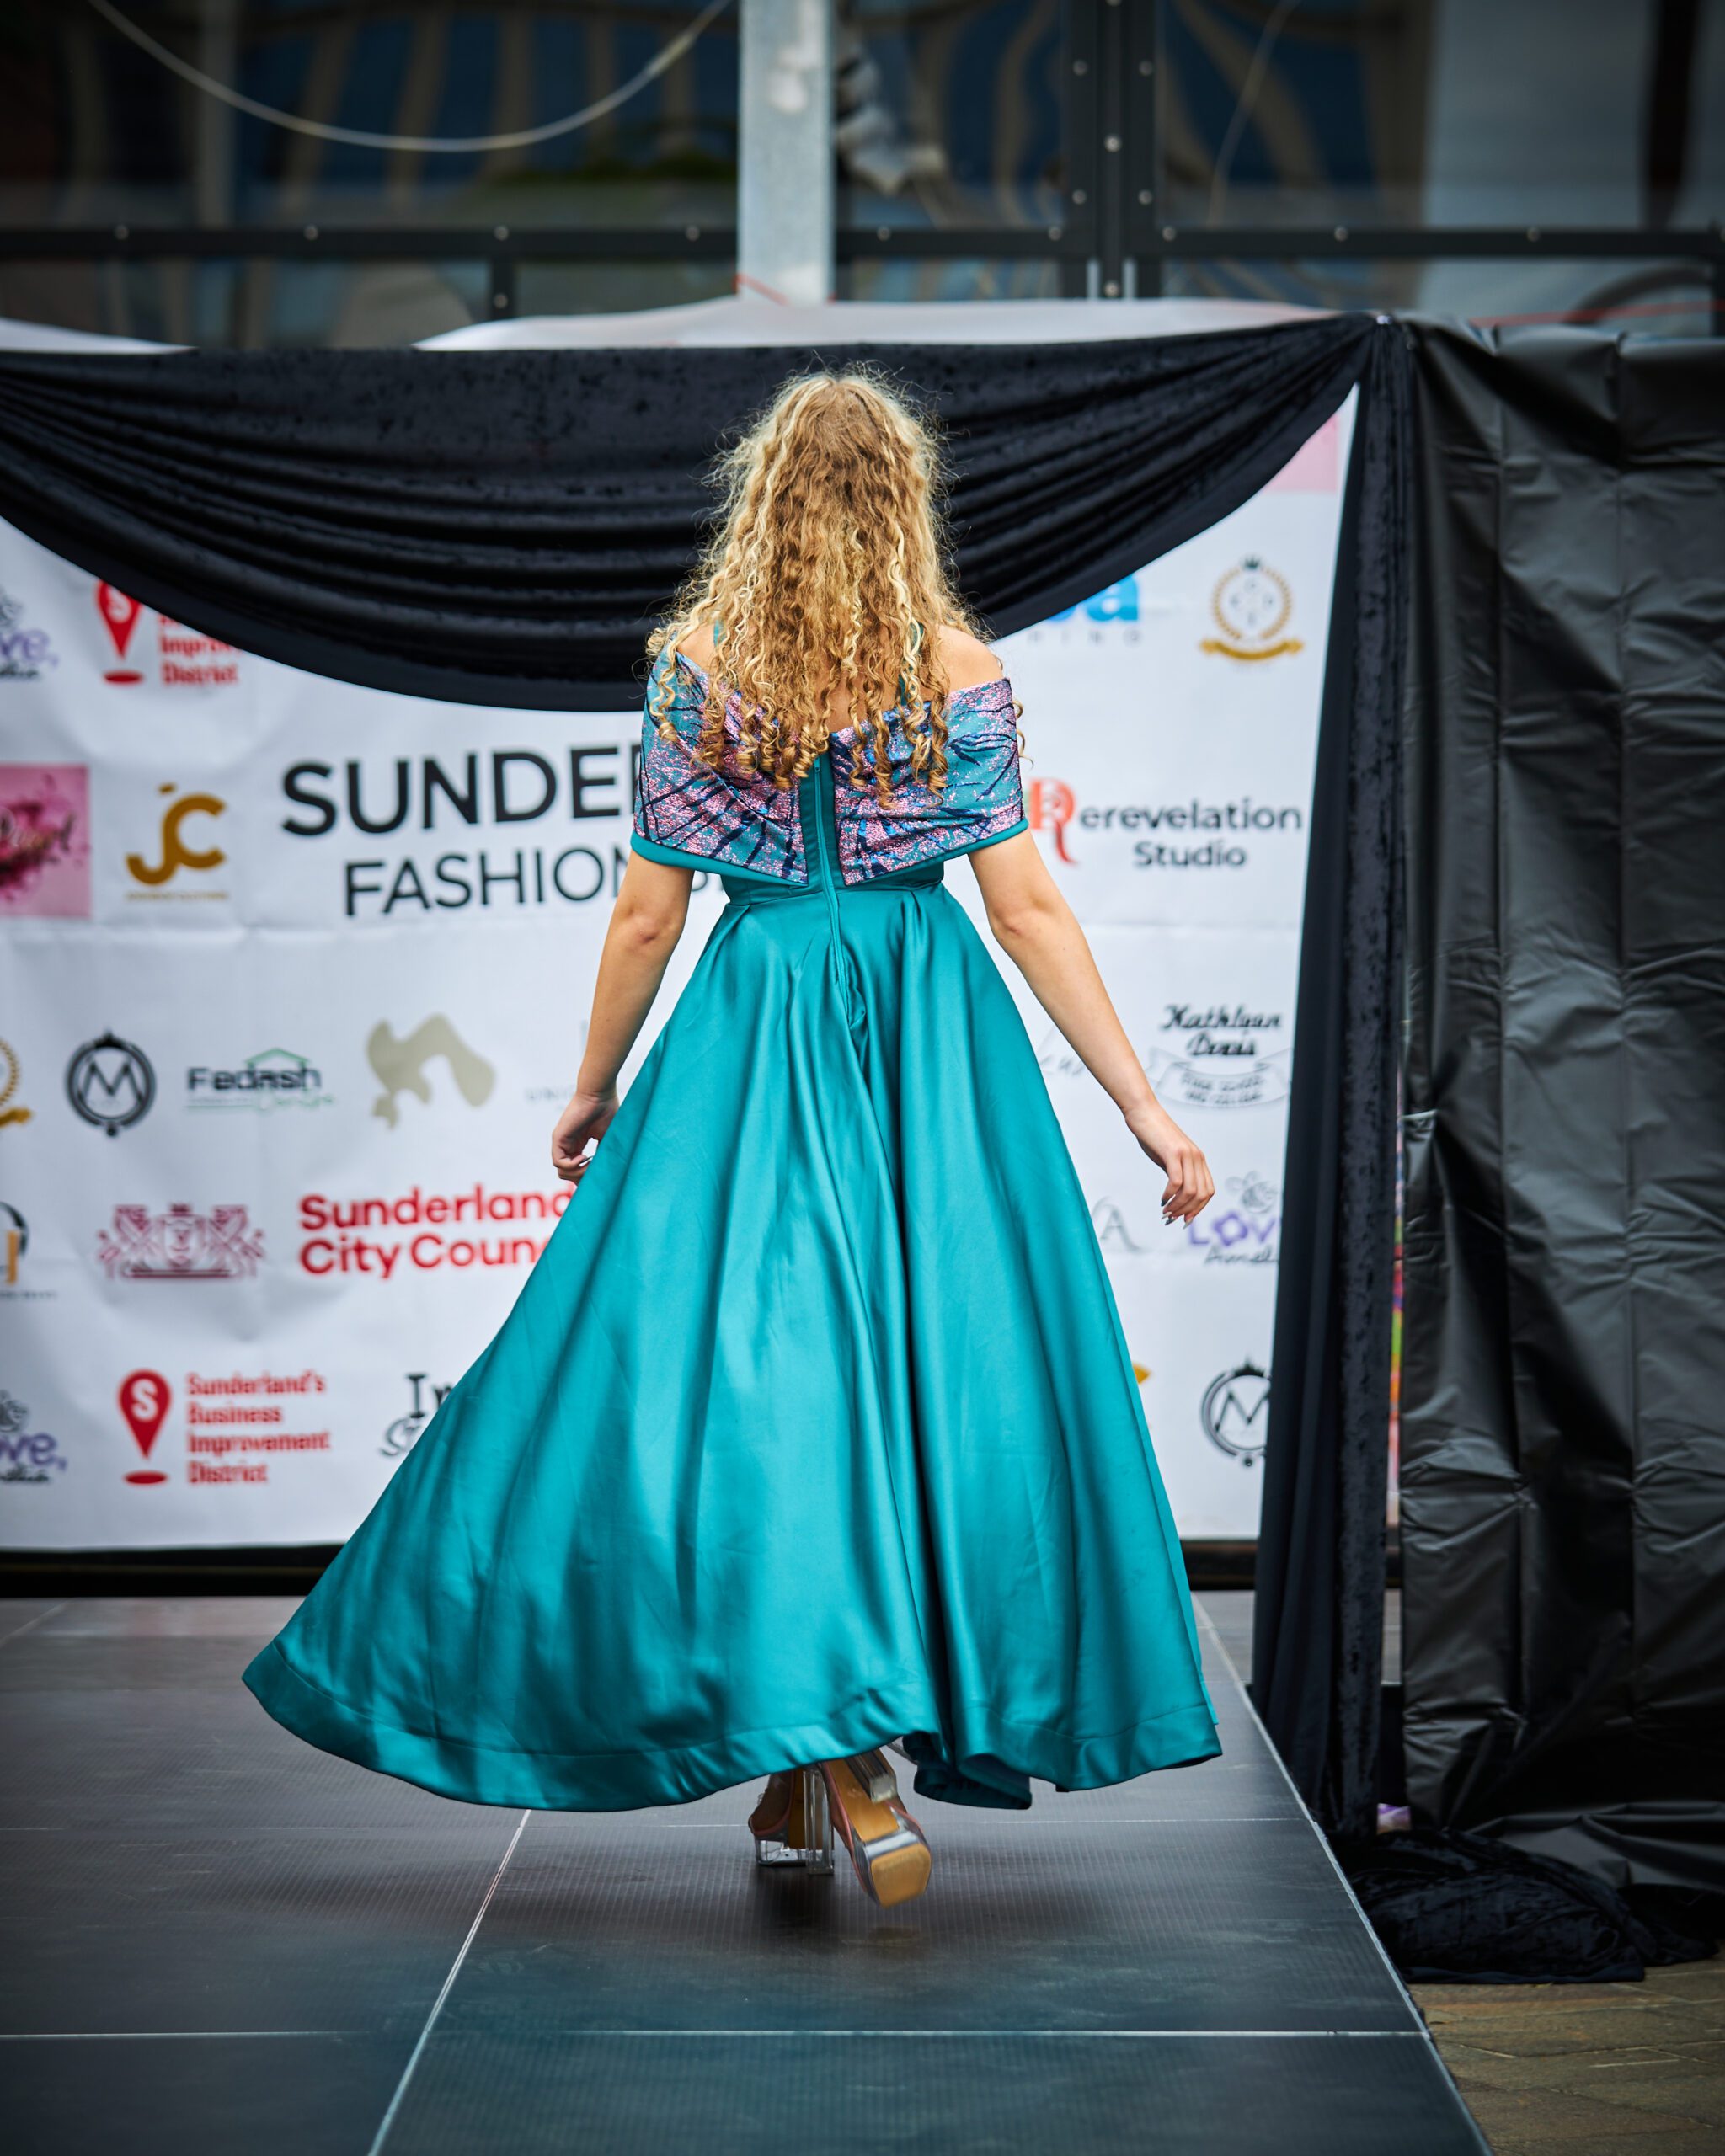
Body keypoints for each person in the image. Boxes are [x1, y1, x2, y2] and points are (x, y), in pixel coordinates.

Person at [244, 371, 1222, 1911]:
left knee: (764, 1396)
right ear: (904, 505)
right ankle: (842, 1762)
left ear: (760, 503)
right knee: (917, 1388)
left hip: (757, 1024)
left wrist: (592, 1084)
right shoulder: (956, 667)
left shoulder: (699, 672)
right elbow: (1027, 908)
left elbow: (649, 915)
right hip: (924, 1034)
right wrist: (1141, 1105)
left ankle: (813, 1767)